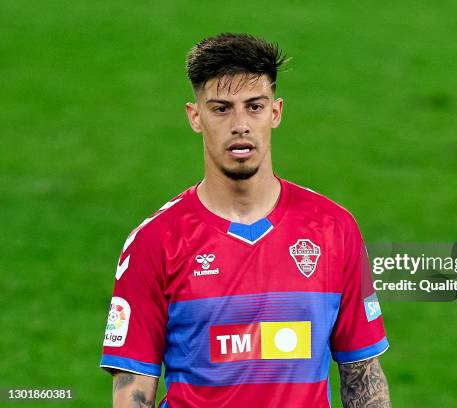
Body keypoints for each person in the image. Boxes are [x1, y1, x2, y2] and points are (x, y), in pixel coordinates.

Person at [100, 33, 391, 408]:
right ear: (195, 116)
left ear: (276, 111)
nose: (240, 124)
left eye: (254, 106)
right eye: (221, 108)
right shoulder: (155, 241)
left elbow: (362, 374)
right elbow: (132, 389)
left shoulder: (333, 228)